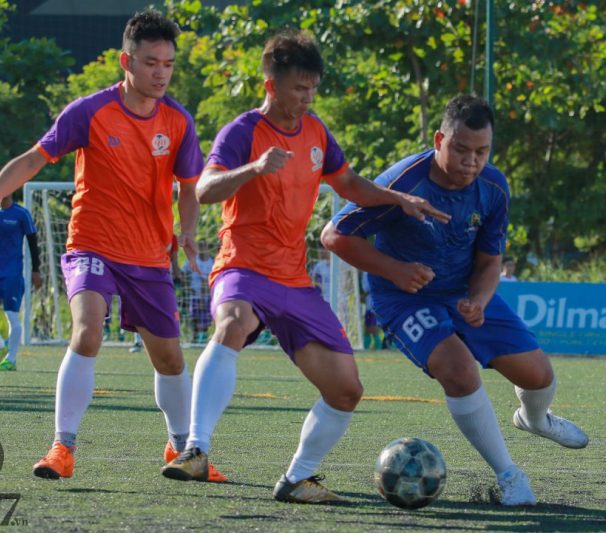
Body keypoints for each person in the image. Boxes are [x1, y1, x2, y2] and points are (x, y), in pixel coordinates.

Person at [160, 30, 447, 503]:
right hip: (244, 265)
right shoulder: (243, 131)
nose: (307, 97)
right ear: (271, 85)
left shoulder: (316, 133)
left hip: (293, 279)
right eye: (298, 88)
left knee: (346, 390)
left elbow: (350, 183)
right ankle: (195, 449)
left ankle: (297, 478)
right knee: (232, 322)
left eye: (313, 88)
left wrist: (400, 199)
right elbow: (204, 189)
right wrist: (252, 168)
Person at [0, 10, 228, 482]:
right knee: (88, 330)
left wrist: (187, 229)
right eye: (150, 62)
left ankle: (183, 449)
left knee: (170, 357)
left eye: (168, 64)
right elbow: (35, 157)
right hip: (91, 246)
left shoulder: (178, 121)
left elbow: (187, 184)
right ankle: (62, 447)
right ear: (126, 61)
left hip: (149, 255)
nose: (160, 72)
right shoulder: (89, 111)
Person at [321, 94, 588, 507]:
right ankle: (510, 476)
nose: (471, 161)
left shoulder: (494, 188)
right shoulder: (403, 181)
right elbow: (333, 236)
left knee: (538, 376)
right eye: (461, 149)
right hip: (404, 298)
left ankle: (534, 419)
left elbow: (489, 260)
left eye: (482, 152)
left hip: (463, 291)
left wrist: (480, 300)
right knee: (460, 371)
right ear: (439, 139)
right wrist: (395, 270)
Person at [0, 192, 42, 371]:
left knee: (12, 316)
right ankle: (0, 346)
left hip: (12, 274)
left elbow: (33, 242)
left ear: (13, 188)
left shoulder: (21, 214)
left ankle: (11, 360)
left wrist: (36, 270)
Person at [180, 239, 215, 343]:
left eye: (204, 246)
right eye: (200, 246)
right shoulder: (192, 260)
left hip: (207, 296)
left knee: (206, 319)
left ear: (207, 247)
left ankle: (203, 338)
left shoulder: (212, 262)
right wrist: (187, 286)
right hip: (194, 295)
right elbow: (183, 273)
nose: (202, 248)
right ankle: (194, 339)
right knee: (194, 317)